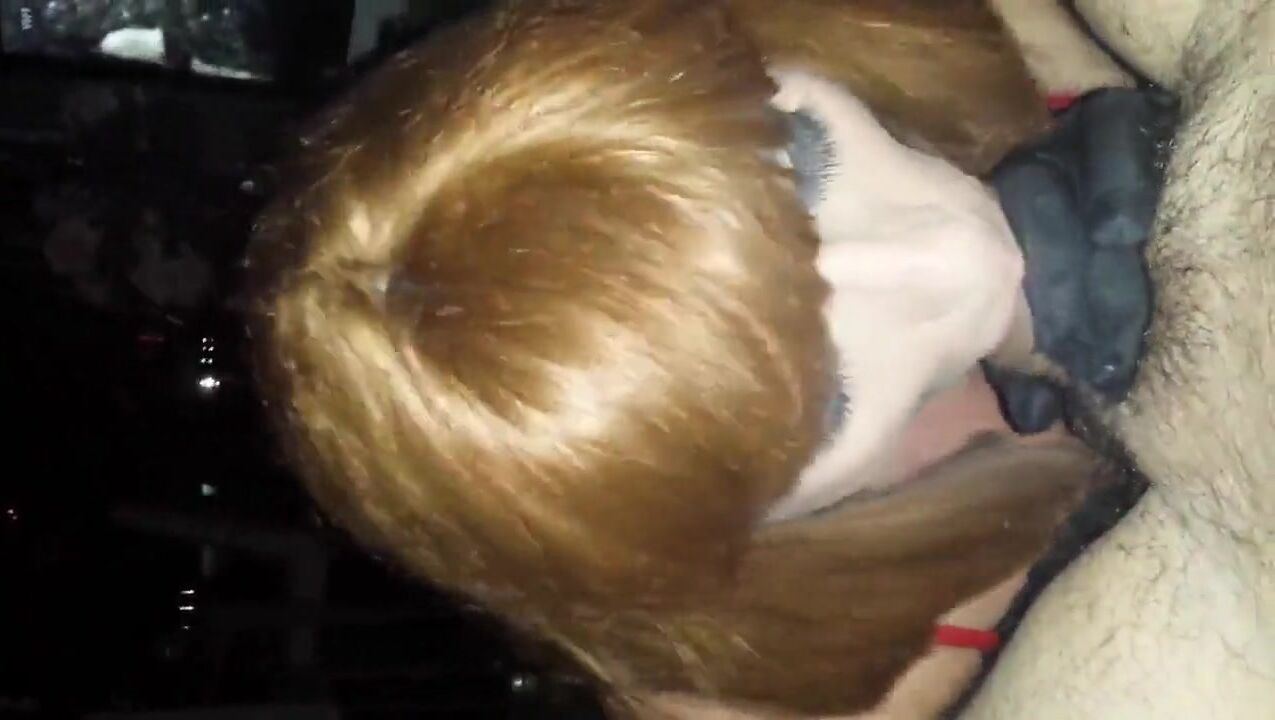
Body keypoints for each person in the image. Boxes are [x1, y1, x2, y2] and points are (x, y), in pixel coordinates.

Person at [244, 1, 1161, 716]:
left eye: (801, 161)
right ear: (745, 538)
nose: (945, 258)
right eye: (824, 402)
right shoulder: (834, 691)